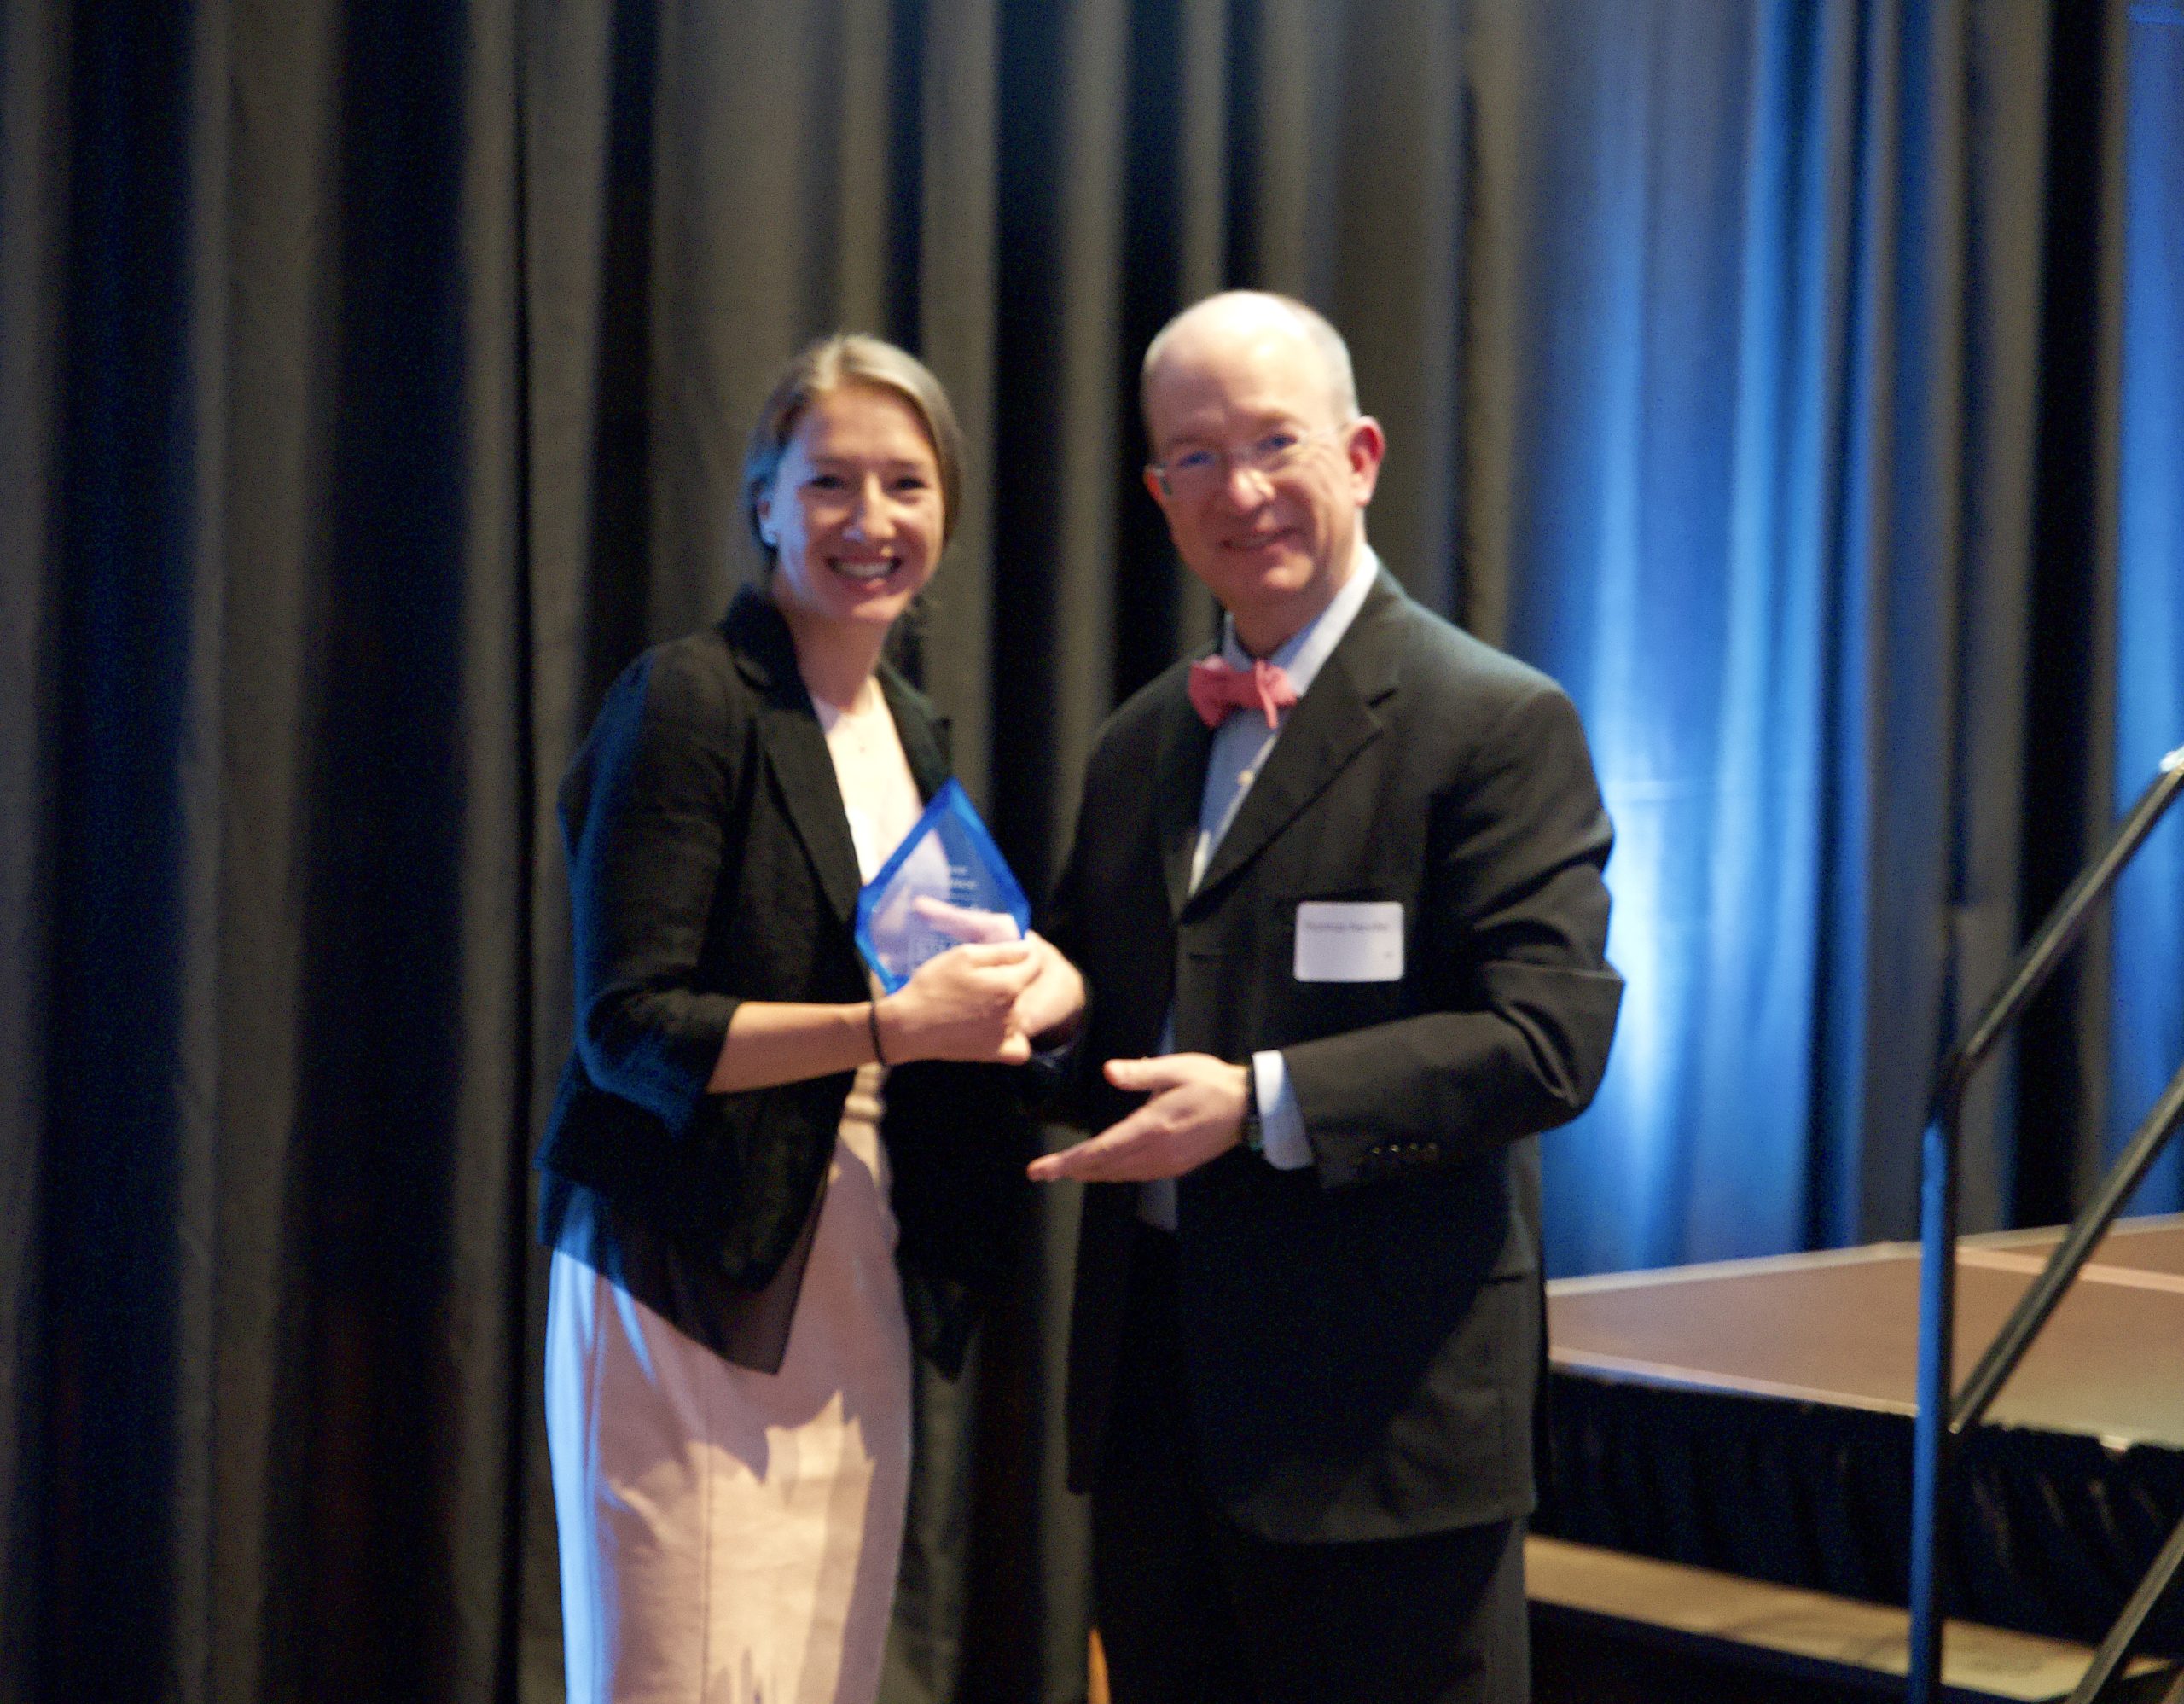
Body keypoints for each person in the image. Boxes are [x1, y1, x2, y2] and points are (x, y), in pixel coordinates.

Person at [1031, 292, 1623, 1704]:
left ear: (1358, 454)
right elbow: (1097, 1017)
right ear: (1156, 493)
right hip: (1164, 1414)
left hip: (1391, 1428)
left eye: (1271, 443)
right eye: (1192, 457)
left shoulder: (1493, 720)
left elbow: (1548, 1040)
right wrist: (1027, 1004)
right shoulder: (1140, 742)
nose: (1237, 491)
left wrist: (1261, 1107)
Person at [538, 333, 1082, 1704]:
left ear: (946, 509)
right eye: (830, 480)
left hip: (856, 1270)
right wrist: (892, 1028)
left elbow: (950, 983)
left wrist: (1041, 988)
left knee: (826, 1679)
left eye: (907, 483)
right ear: (766, 501)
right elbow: (633, 1030)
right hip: (686, 1270)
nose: (871, 519)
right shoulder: (687, 698)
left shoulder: (910, 724)